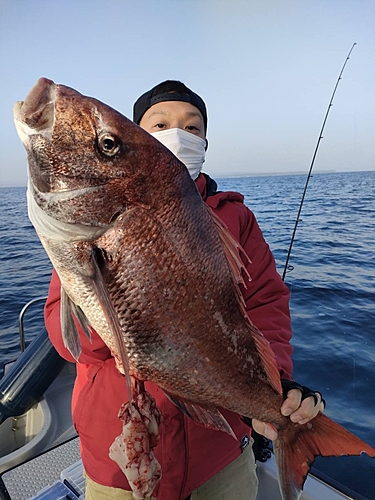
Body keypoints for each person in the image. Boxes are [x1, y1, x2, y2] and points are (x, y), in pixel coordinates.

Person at [45, 80, 325, 500]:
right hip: (121, 452)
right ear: (138, 136)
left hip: (221, 451)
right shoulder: (94, 223)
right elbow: (65, 335)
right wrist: (121, 329)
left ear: (206, 141)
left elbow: (266, 301)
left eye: (193, 127)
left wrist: (274, 389)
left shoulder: (235, 217)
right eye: (159, 123)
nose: (179, 134)